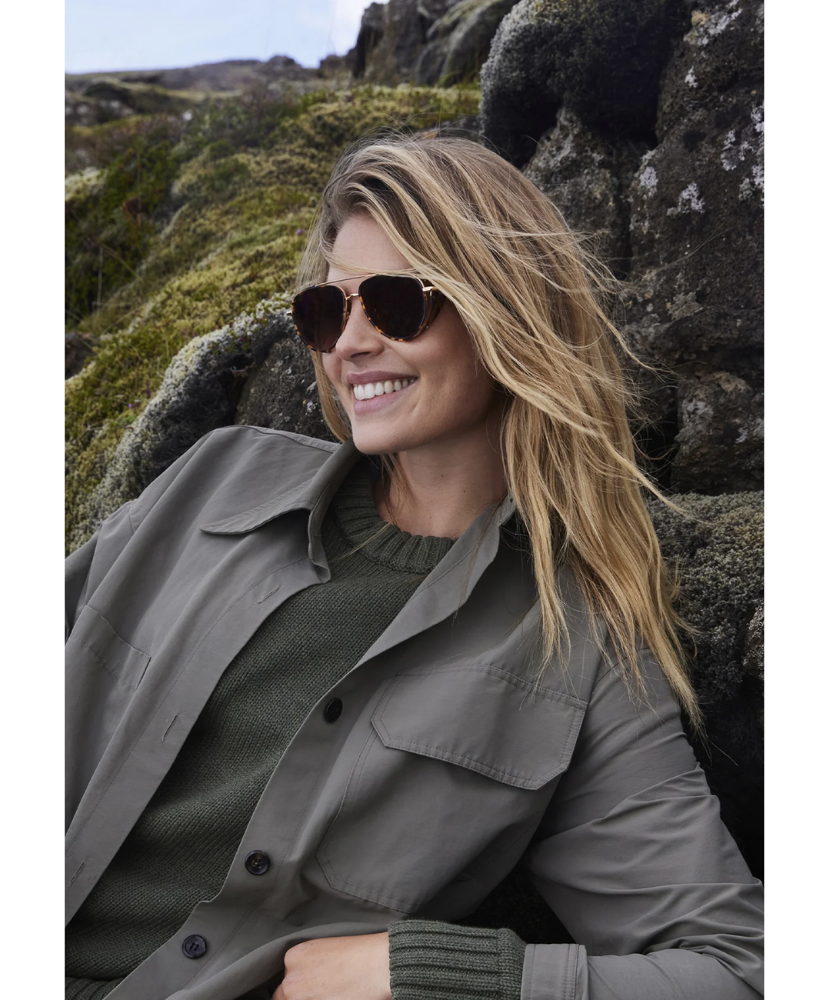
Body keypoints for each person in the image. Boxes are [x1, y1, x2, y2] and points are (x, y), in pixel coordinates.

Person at [64, 135, 765, 1000]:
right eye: (327, 310)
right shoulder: (213, 479)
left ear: (505, 312)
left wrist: (428, 973)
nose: (349, 344)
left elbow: (728, 969)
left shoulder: (577, 651)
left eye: (395, 304)